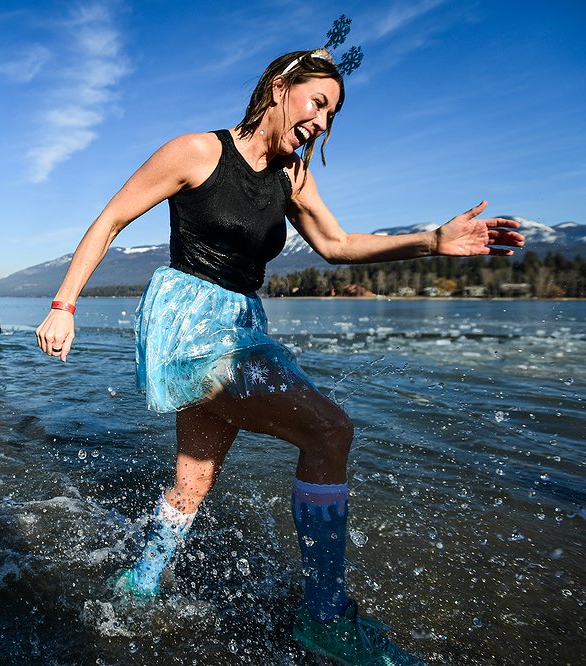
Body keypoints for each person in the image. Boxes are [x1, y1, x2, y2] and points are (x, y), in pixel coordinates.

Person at [35, 28, 524, 666]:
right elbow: (112, 219)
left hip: (242, 325)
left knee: (194, 479)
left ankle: (139, 582)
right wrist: (64, 304)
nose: (321, 122)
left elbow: (338, 245)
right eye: (317, 103)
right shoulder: (197, 151)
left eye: (332, 115)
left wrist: (432, 240)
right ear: (278, 89)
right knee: (329, 431)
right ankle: (324, 615)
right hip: (189, 323)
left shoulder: (292, 177)